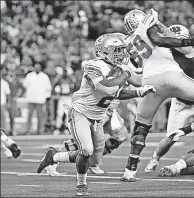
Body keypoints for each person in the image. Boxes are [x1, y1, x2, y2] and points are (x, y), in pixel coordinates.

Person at [37, 34, 156, 196]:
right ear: (105, 51)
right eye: (117, 50)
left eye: (122, 50)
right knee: (86, 149)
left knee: (92, 157)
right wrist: (125, 75)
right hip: (80, 113)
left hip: (97, 118)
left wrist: (143, 86)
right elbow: (105, 87)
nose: (121, 54)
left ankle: (54, 157)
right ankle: (81, 184)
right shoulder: (93, 65)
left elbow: (129, 86)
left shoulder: (121, 69)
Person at [121, 10, 194, 182]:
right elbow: (159, 40)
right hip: (171, 75)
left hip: (150, 82)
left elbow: (137, 65)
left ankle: (129, 170)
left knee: (140, 127)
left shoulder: (130, 40)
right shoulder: (148, 25)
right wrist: (192, 41)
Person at [23, 62, 52, 135]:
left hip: (40, 99)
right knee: (29, 114)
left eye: (38, 67)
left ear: (40, 68)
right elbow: (25, 85)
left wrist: (46, 97)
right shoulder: (29, 75)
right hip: (31, 98)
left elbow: (48, 88)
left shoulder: (44, 76)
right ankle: (28, 130)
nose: (37, 68)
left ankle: (39, 130)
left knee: (40, 115)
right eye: (36, 67)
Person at [52, 68, 76, 134]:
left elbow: (75, 87)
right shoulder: (59, 79)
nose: (65, 74)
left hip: (68, 97)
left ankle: (67, 127)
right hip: (62, 97)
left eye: (66, 72)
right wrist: (56, 94)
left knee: (68, 113)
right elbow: (54, 87)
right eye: (64, 72)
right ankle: (58, 127)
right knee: (59, 113)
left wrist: (73, 94)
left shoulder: (71, 79)